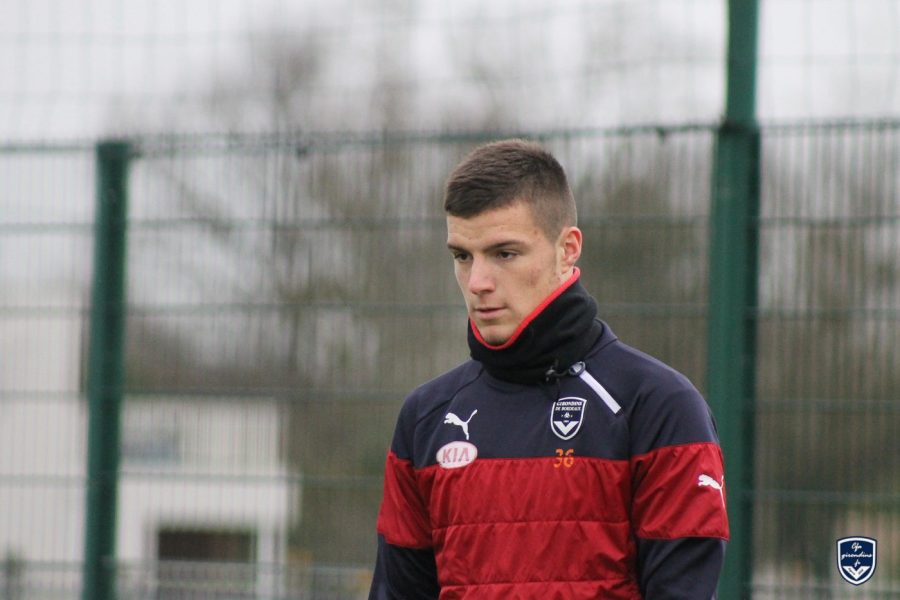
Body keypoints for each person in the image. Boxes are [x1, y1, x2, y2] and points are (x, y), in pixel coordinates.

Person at [368, 139, 729, 599]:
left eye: (505, 254)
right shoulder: (426, 417)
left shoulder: (659, 408)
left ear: (567, 250)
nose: (478, 282)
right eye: (462, 256)